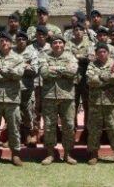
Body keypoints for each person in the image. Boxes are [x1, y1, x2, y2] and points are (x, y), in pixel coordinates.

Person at [0, 31, 26, 167]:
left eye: (6, 40)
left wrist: (1, 71)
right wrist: (9, 73)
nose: (4, 43)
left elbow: (19, 74)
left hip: (12, 99)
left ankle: (16, 154)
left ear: (10, 43)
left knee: (14, 128)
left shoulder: (18, 58)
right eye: (1, 41)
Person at [39, 33, 79, 165]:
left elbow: (72, 71)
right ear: (51, 45)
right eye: (55, 43)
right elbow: (44, 73)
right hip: (49, 96)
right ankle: (50, 153)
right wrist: (63, 70)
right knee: (49, 126)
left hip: (66, 96)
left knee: (68, 125)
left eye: (60, 42)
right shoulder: (44, 56)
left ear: (64, 44)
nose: (58, 45)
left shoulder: (70, 56)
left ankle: (68, 153)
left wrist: (54, 69)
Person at [85, 42, 114, 165]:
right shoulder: (92, 64)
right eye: (99, 52)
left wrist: (100, 77)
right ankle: (93, 154)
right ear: (96, 53)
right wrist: (107, 78)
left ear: (108, 53)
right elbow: (90, 80)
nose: (102, 54)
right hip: (95, 102)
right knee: (94, 129)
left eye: (104, 51)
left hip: (111, 103)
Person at [67, 21, 93, 141]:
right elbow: (67, 58)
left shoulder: (90, 44)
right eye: (76, 30)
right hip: (72, 79)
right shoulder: (68, 44)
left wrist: (77, 57)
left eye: (80, 30)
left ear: (84, 31)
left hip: (86, 79)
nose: (78, 32)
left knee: (87, 105)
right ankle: (72, 129)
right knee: (72, 105)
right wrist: (82, 58)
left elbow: (91, 59)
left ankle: (88, 130)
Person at [15, 30, 39, 147]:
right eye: (18, 39)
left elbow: (34, 70)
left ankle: (29, 135)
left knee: (28, 113)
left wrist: (18, 66)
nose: (21, 41)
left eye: (23, 39)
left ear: (27, 41)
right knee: (14, 114)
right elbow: (6, 67)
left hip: (27, 88)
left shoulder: (32, 53)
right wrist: (25, 65)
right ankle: (14, 137)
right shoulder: (11, 52)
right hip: (13, 89)